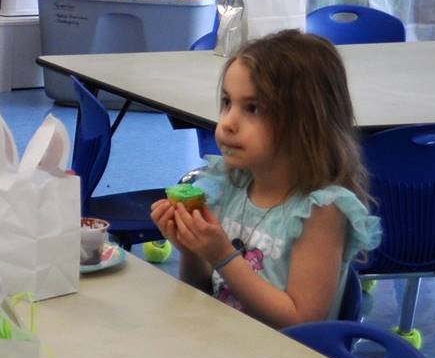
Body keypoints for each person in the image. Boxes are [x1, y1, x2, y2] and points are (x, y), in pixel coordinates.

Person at [149, 30, 380, 326]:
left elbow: (302, 322)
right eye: (226, 102)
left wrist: (222, 256)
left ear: (305, 122)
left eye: (252, 108)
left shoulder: (320, 210)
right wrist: (192, 251)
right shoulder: (231, 185)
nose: (228, 122)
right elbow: (205, 296)